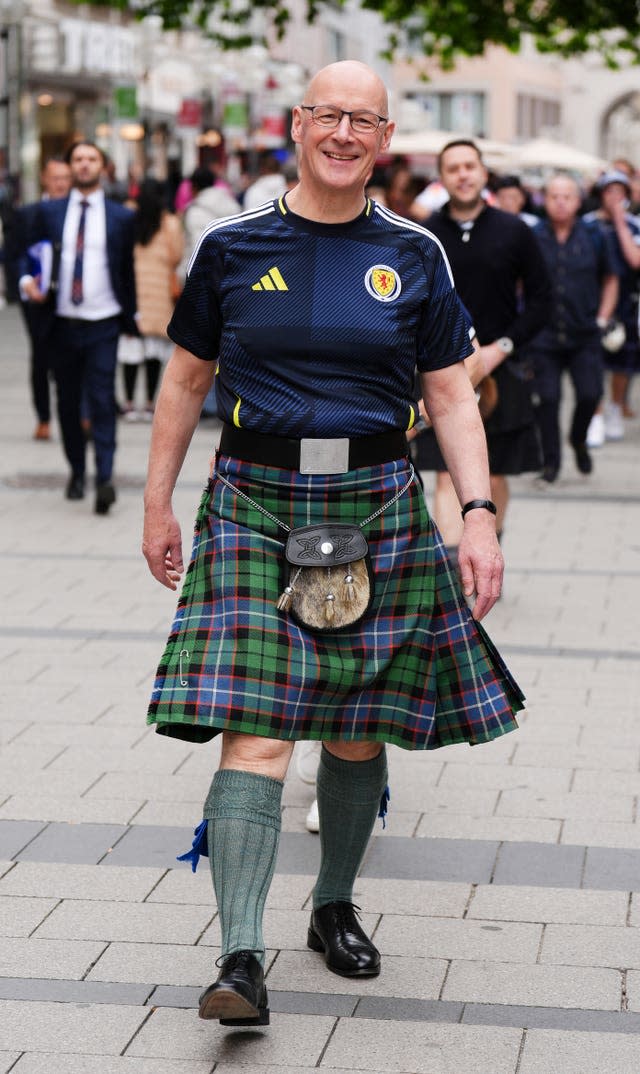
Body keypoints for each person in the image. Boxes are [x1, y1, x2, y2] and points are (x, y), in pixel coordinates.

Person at [142, 60, 524, 1029]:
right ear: (298, 124)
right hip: (254, 501)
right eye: (328, 115)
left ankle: (333, 903)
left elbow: (447, 395)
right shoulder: (231, 248)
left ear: (385, 138)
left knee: (356, 730)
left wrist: (476, 515)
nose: (344, 133)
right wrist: (157, 502)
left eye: (364, 120)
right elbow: (185, 382)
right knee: (259, 729)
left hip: (375, 499)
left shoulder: (416, 254)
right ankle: (239, 954)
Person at [415, 139, 551, 555]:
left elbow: (543, 298)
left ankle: (490, 541)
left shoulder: (514, 231)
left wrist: (500, 348)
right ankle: (455, 568)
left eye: (469, 166)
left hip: (500, 365)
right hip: (440, 369)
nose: (463, 174)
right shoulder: (424, 236)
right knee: (443, 473)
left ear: (483, 173)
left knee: (491, 476)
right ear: (442, 178)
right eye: (453, 168)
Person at [19, 141, 138, 514]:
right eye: (78, 159)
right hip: (61, 322)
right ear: (70, 167)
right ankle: (76, 471)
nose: (84, 165)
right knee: (67, 403)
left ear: (102, 166)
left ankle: (104, 478)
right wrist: (27, 282)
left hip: (103, 320)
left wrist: (132, 316)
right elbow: (27, 253)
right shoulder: (49, 212)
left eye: (91, 159)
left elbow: (125, 271)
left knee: (102, 399)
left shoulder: (121, 217)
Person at [525, 173, 618, 482]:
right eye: (554, 196)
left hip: (584, 332)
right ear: (545, 200)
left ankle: (578, 439)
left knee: (591, 394)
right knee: (547, 401)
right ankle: (550, 464)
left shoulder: (595, 236)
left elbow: (611, 279)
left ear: (578, 201)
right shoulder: (532, 237)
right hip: (544, 334)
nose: (561, 202)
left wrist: (603, 317)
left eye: (567, 196)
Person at [5, 155, 72, 441]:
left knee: (72, 357)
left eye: (65, 179)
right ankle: (44, 417)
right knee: (41, 357)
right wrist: (24, 282)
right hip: (37, 299)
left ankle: (77, 414)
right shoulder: (29, 213)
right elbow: (14, 253)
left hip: (72, 299)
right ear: (45, 179)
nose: (60, 184)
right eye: (55, 178)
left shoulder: (80, 214)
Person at [584, 170, 640, 444]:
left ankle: (616, 407)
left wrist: (620, 221)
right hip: (591, 302)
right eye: (609, 191)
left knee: (622, 364)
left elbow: (635, 260)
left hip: (627, 303)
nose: (614, 197)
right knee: (592, 363)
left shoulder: (634, 226)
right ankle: (596, 413)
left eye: (620, 192)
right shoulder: (587, 225)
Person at [121, 179, 184, 421]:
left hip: (134, 291)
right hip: (159, 296)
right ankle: (148, 403)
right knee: (153, 354)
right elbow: (176, 256)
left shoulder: (129, 220)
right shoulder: (169, 223)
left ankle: (127, 402)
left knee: (130, 352)